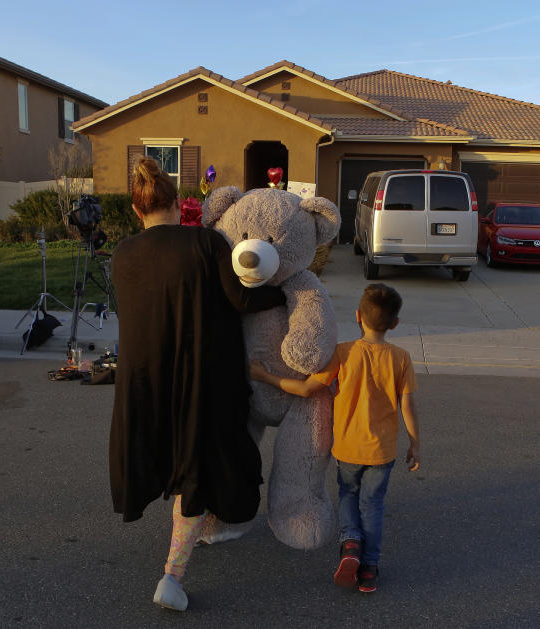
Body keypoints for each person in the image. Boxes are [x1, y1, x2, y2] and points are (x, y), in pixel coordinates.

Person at [109, 157, 285, 611]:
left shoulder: (122, 254)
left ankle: (198, 530)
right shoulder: (205, 243)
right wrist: (286, 291)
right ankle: (172, 575)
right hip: (199, 381)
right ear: (176, 203)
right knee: (196, 469)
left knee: (174, 461)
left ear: (137, 210)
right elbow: (240, 298)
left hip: (143, 383)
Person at [249, 283, 420, 594]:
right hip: (381, 453)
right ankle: (369, 569)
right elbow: (406, 405)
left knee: (347, 495)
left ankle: (350, 543)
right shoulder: (402, 358)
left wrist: (264, 376)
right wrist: (415, 443)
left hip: (347, 449)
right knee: (373, 506)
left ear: (357, 316)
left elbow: (305, 390)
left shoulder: (343, 352)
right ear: (394, 323)